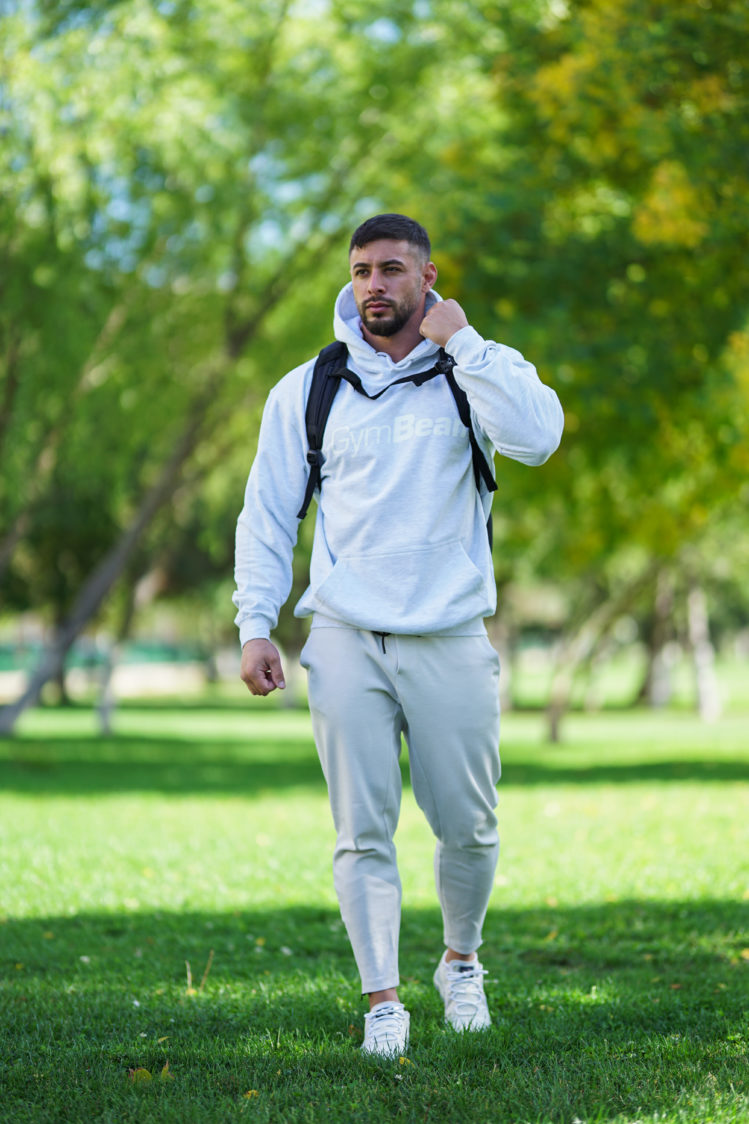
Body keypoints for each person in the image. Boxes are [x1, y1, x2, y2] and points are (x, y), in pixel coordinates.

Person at [233, 213, 564, 1057]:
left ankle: (460, 962)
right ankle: (382, 999)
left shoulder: (478, 371)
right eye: (359, 271)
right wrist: (255, 625)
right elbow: (268, 515)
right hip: (343, 635)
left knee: (469, 825)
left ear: (427, 276)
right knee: (360, 830)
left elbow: (538, 439)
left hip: (450, 634)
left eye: (389, 269)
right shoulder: (305, 389)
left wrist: (471, 346)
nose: (372, 285)